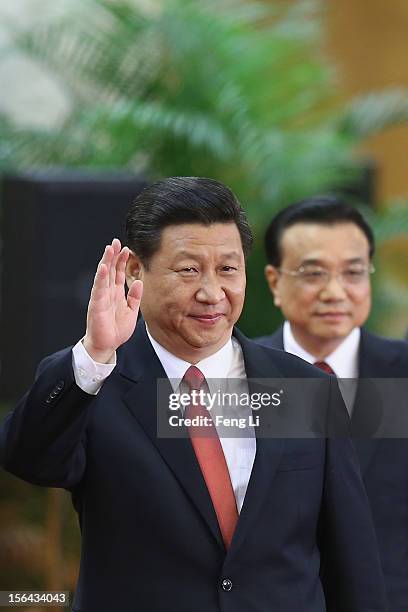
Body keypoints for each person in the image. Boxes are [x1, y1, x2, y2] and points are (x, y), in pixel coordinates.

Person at [0, 178, 387, 612]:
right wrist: (94, 354)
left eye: (227, 269)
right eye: (188, 270)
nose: (211, 293)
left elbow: (351, 558)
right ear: (134, 272)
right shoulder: (96, 382)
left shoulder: (301, 387)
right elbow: (28, 459)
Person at [257, 194, 408, 612]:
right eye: (314, 273)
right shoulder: (237, 378)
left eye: (353, 273)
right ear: (274, 281)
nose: (335, 292)